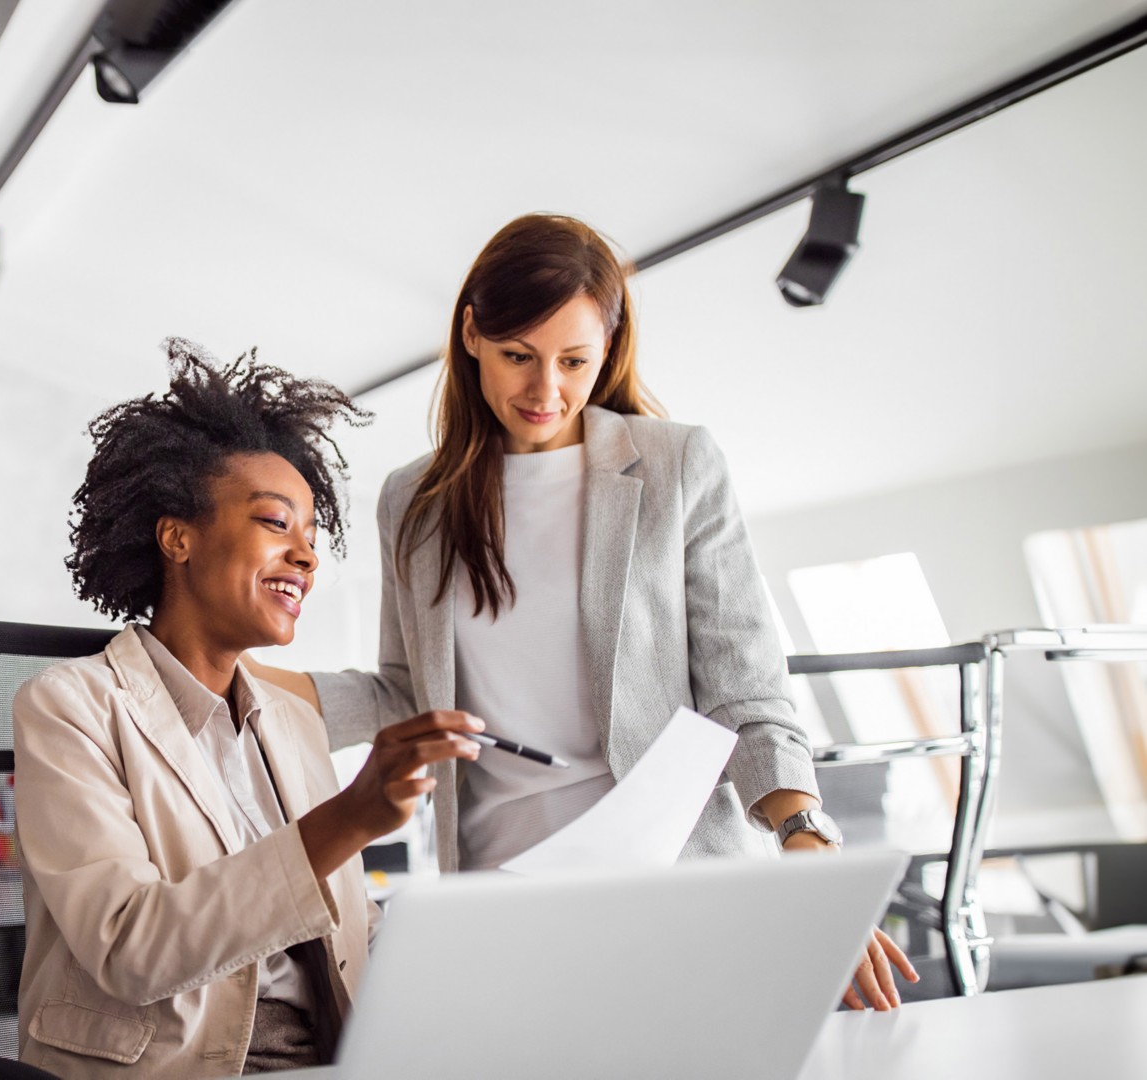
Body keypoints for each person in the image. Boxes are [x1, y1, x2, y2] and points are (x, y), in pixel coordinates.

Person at [246, 213, 919, 1011]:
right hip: (504, 898)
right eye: (518, 357)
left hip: (672, 886)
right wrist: (236, 680)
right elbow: (406, 694)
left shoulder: (676, 466)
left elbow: (746, 692)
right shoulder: (415, 501)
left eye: (574, 360)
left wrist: (806, 840)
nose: (545, 391)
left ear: (609, 346)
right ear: (471, 335)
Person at [12, 341, 483, 1078]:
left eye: (311, 536)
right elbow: (130, 946)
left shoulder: (291, 723)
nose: (306, 556)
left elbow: (339, 927)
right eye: (275, 523)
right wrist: (350, 817)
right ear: (178, 538)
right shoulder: (68, 710)